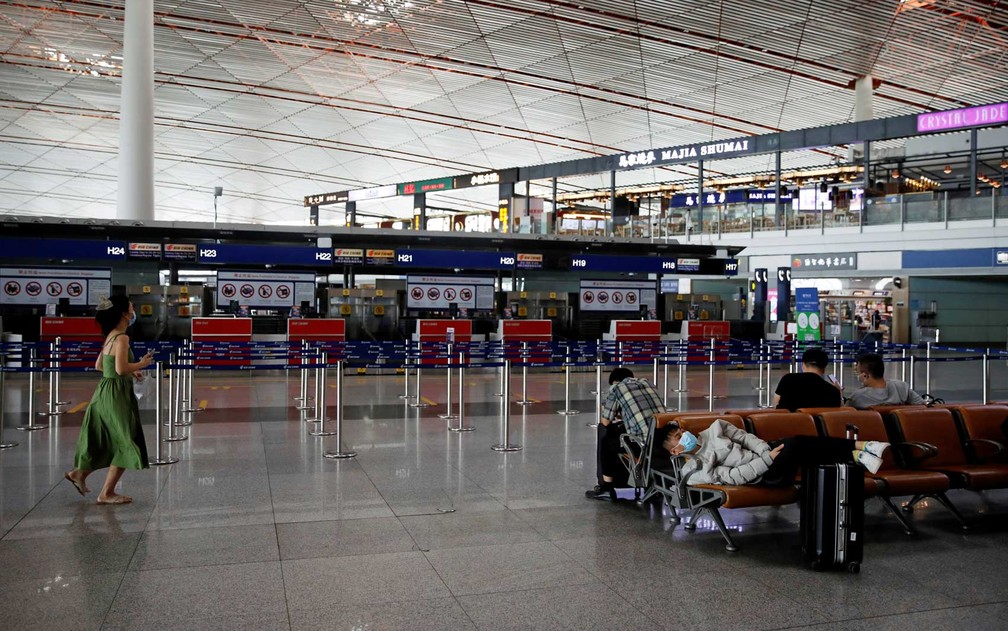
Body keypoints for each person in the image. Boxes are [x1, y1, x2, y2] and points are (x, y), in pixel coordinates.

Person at [64, 295, 154, 505]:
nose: (134, 312)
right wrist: (140, 364)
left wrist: (130, 373)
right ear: (124, 314)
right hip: (116, 394)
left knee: (107, 438)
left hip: (104, 391)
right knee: (125, 440)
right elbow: (120, 368)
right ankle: (106, 493)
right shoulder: (122, 338)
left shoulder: (111, 337)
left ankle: (79, 474)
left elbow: (100, 366)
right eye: (132, 308)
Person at [652, 419, 889, 487]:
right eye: (678, 436)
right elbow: (735, 477)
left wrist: (765, 449)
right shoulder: (695, 469)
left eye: (681, 429)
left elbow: (745, 437)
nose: (684, 433)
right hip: (763, 475)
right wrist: (767, 459)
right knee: (796, 444)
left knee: (799, 446)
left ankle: (860, 453)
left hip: (765, 453)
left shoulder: (715, 428)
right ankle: (860, 449)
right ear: (676, 450)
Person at [586, 367, 665, 501]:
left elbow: (605, 421)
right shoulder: (648, 383)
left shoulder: (617, 388)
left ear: (615, 381)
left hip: (643, 445)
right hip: (662, 440)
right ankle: (651, 485)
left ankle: (607, 488)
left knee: (607, 441)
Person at [773, 346, 842, 411]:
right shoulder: (833, 391)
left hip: (788, 422)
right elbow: (836, 412)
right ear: (824, 369)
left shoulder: (788, 379)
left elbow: (776, 404)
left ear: (803, 365)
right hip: (816, 423)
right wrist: (839, 393)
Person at [845, 352, 924, 408]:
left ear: (865, 376)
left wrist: (838, 393)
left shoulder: (857, 397)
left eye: (858, 373)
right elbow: (922, 405)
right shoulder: (901, 387)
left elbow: (842, 413)